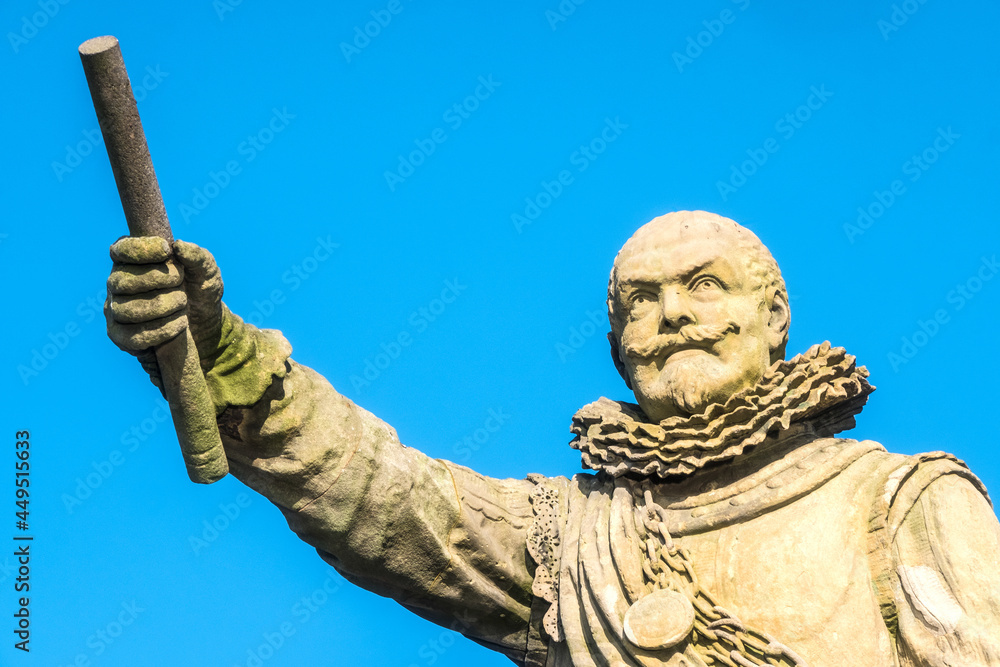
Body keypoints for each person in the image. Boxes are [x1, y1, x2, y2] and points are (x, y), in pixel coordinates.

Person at [105, 210, 1000, 666]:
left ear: (775, 318)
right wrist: (224, 353)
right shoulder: (573, 538)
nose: (674, 313)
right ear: (618, 350)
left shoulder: (900, 502)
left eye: (702, 285)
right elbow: (388, 498)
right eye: (641, 302)